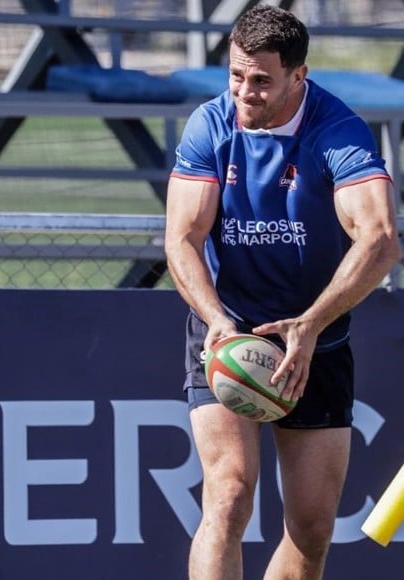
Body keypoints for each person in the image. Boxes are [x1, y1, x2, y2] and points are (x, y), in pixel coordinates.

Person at [164, 5, 400, 580]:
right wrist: (217, 320)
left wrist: (311, 323)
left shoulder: (337, 130)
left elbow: (380, 239)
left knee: (314, 529)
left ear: (300, 75)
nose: (245, 91)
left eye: (262, 80)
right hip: (228, 329)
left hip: (316, 341)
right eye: (236, 75)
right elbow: (181, 239)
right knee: (228, 494)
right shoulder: (211, 125)